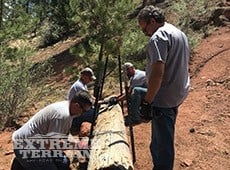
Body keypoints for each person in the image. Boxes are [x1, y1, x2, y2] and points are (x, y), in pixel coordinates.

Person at [137, 5, 190, 170]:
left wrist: (147, 102)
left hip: (164, 97)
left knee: (163, 145)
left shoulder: (158, 38)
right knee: (160, 137)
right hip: (178, 93)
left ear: (152, 21)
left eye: (144, 29)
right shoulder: (178, 33)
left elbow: (158, 72)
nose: (145, 33)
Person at [11, 90, 93, 170]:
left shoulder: (69, 109)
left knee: (64, 163)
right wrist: (76, 146)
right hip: (25, 146)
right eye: (84, 111)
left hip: (37, 143)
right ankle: (22, 162)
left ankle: (22, 163)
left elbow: (63, 136)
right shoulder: (62, 115)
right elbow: (50, 145)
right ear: (77, 105)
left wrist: (77, 144)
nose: (84, 113)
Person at [66, 67, 96, 134]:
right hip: (75, 114)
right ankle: (76, 126)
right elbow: (89, 101)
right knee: (94, 114)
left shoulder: (82, 85)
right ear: (83, 76)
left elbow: (90, 97)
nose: (90, 80)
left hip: (77, 111)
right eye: (90, 78)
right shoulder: (79, 86)